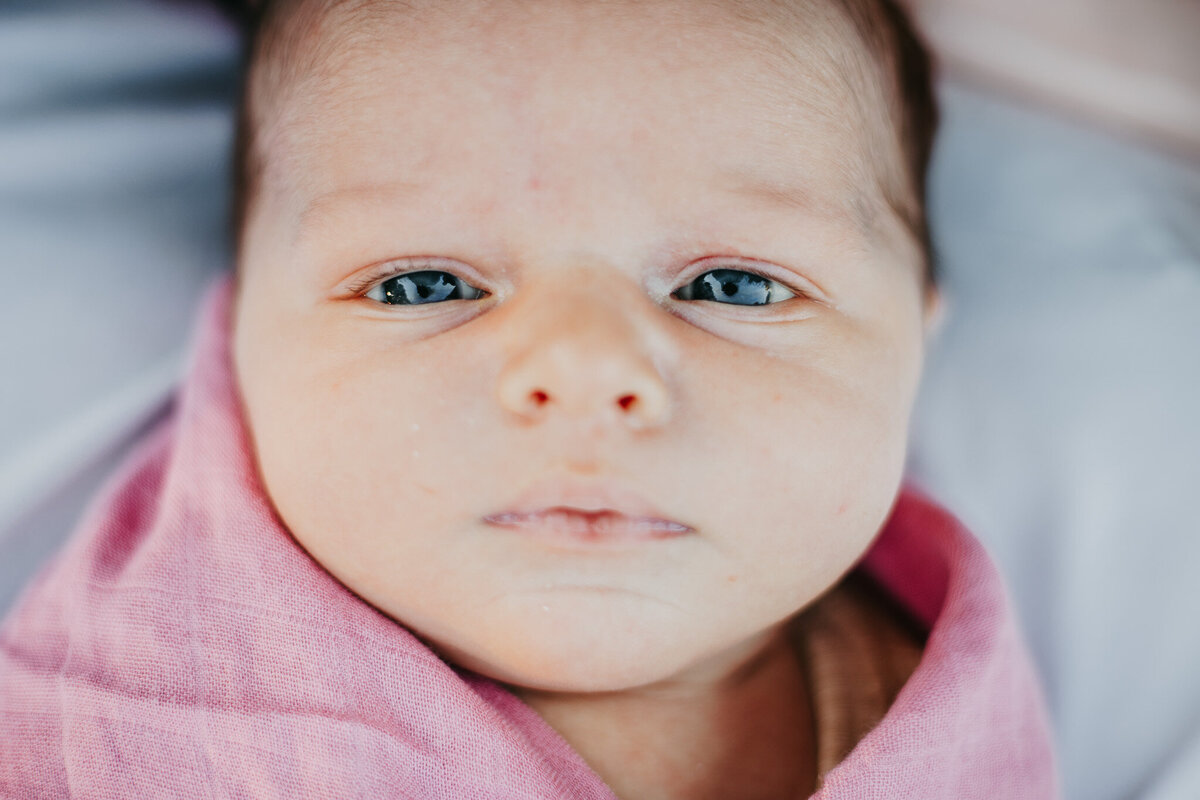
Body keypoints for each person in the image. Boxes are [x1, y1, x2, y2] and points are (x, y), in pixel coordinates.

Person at [0, 0, 1057, 796]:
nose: (588, 371)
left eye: (732, 286)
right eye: (425, 285)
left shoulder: (955, 713)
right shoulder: (117, 721)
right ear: (239, 337)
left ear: (916, 336)